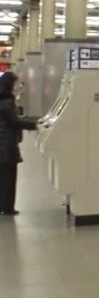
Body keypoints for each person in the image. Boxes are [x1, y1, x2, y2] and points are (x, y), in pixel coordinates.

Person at [0, 72, 38, 216]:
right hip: (6, 144)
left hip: (3, 142)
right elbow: (14, 122)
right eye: (17, 83)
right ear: (11, 84)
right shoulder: (7, 101)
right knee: (9, 177)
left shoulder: (4, 99)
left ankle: (3, 205)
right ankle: (8, 208)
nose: (19, 86)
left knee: (4, 177)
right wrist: (35, 125)